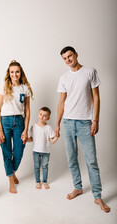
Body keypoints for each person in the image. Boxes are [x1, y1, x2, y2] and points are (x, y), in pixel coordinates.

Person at [55, 46, 110, 213]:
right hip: (68, 123)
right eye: (65, 58)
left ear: (76, 55)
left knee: (91, 161)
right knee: (71, 160)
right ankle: (77, 187)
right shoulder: (64, 77)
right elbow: (61, 102)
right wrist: (57, 124)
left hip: (85, 122)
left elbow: (96, 96)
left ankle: (97, 196)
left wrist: (96, 120)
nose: (68, 60)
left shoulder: (90, 72)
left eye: (70, 56)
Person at [0, 60, 33, 194]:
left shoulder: (25, 88)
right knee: (6, 153)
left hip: (19, 121)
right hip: (5, 121)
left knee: (18, 152)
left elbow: (27, 111)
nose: (14, 74)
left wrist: (26, 129)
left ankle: (12, 172)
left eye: (17, 71)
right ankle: (11, 181)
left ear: (20, 72)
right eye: (12, 72)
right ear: (9, 73)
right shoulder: (3, 86)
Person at [27, 107, 58, 189]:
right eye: (41, 114)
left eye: (44, 115)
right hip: (36, 150)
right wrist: (26, 139)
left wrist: (57, 137)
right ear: (38, 115)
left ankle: (44, 181)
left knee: (45, 166)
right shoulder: (33, 127)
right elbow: (31, 139)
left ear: (48, 118)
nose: (42, 116)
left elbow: (52, 141)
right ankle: (37, 181)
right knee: (36, 166)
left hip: (46, 151)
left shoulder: (48, 128)